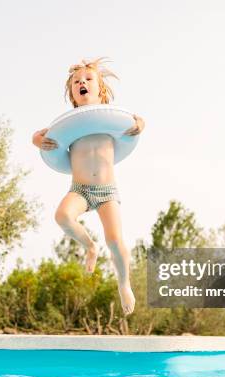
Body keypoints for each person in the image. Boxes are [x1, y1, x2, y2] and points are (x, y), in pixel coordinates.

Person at [31, 57, 145, 315]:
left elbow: (138, 120)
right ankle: (90, 247)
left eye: (88, 79)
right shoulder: (68, 123)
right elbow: (38, 136)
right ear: (72, 92)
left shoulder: (112, 118)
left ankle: (124, 284)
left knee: (115, 240)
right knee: (62, 216)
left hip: (107, 191)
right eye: (76, 82)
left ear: (100, 89)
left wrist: (140, 125)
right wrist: (39, 140)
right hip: (80, 189)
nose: (82, 83)